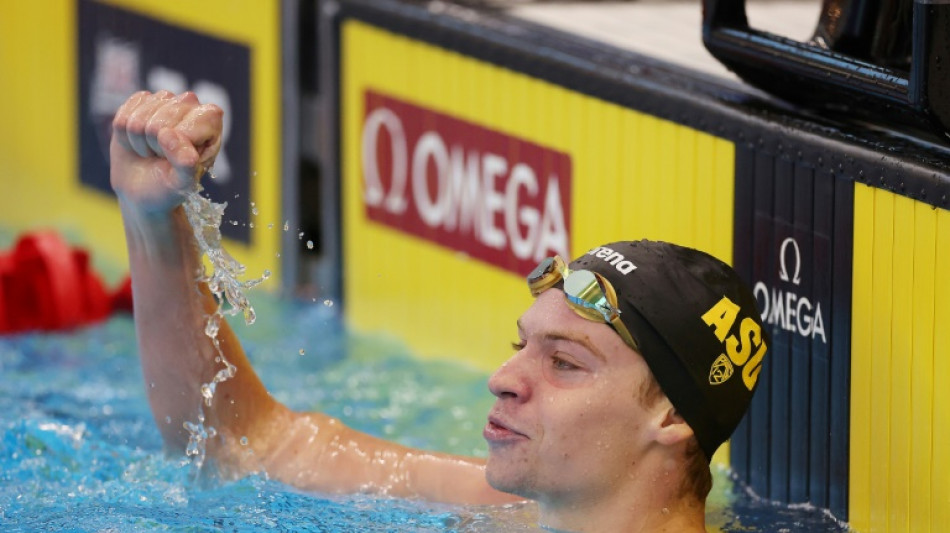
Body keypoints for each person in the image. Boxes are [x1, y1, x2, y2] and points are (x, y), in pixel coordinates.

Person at [111, 90, 768, 533]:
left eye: (565, 363)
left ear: (671, 416)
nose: (503, 379)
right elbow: (243, 444)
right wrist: (152, 221)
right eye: (521, 346)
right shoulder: (504, 510)